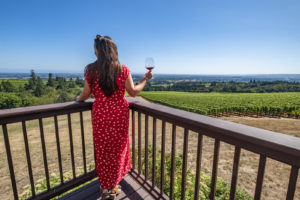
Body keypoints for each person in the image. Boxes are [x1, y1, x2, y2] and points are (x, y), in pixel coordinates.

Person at [77, 35, 152, 200]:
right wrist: (145, 79)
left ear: (99, 51)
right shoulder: (122, 69)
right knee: (118, 149)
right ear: (112, 51)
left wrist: (77, 100)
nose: (93, 51)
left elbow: (85, 94)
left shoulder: (90, 70)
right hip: (119, 115)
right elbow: (133, 92)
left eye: (95, 48)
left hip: (101, 115)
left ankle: (105, 188)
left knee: (103, 150)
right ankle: (114, 185)